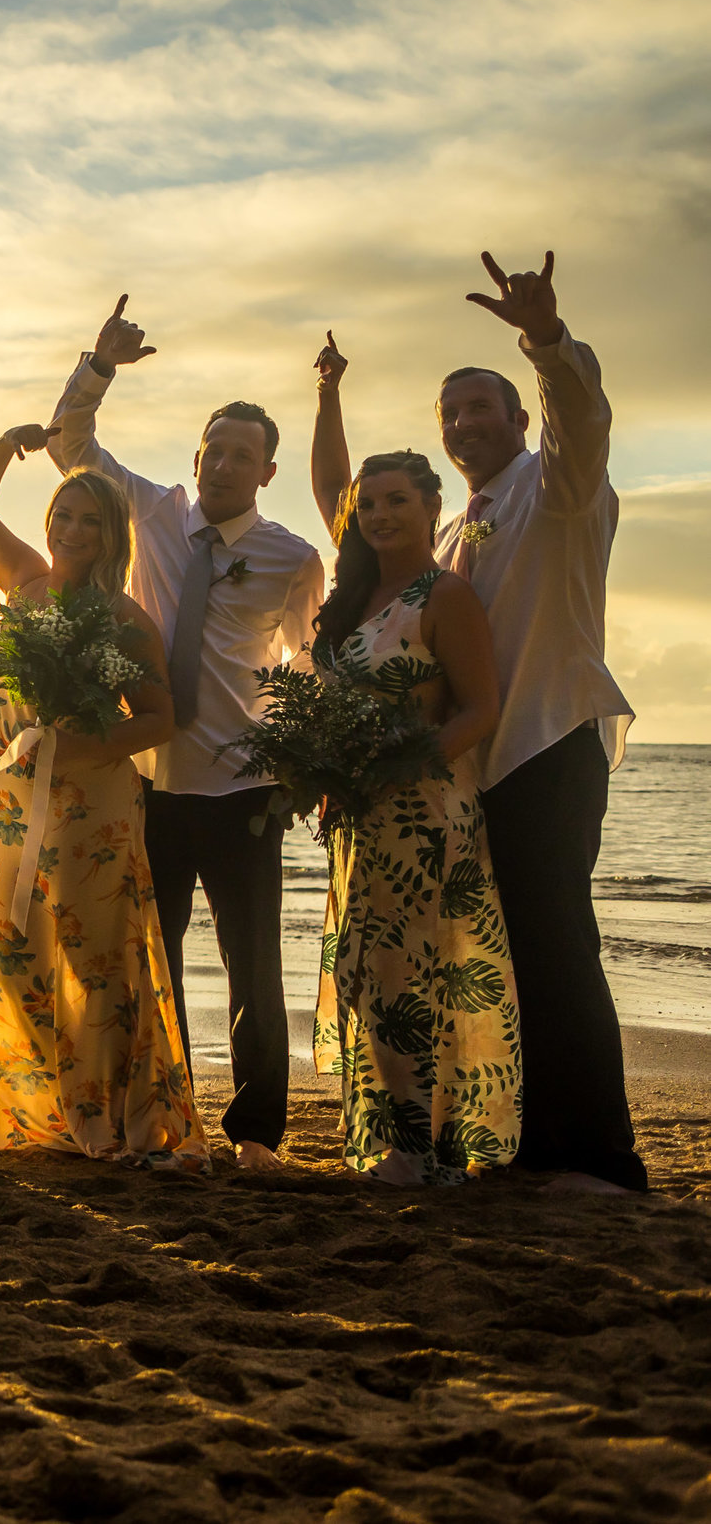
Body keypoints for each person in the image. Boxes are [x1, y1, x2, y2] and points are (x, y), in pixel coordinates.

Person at [311, 252, 644, 1195]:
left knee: (558, 943)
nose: (463, 423)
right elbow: (346, 505)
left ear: (520, 418)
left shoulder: (560, 488)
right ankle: (532, 1143)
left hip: (550, 740)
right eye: (448, 413)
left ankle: (601, 1159)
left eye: (480, 408)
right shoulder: (452, 532)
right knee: (508, 953)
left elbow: (586, 419)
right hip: (480, 769)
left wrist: (544, 339)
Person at [43, 297, 324, 1173]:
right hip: (151, 783)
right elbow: (69, 445)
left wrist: (299, 769)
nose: (225, 463)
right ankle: (163, 1122)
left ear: (266, 470)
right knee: (149, 965)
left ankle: (256, 1135)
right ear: (196, 455)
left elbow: (308, 668)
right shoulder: (156, 514)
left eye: (244, 453)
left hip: (244, 786)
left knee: (254, 971)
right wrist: (99, 364)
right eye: (214, 448)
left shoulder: (292, 556)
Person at [0, 445, 207, 1171]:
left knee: (93, 959)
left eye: (88, 521)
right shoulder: (25, 586)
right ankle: (30, 1107)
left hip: (91, 806)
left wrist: (81, 749)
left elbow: (159, 719)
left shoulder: (124, 618)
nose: (71, 529)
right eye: (62, 514)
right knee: (11, 947)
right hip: (15, 802)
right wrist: (7, 443)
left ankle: (98, 1113)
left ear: (113, 535)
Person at [308, 454, 518, 1185]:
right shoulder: (357, 595)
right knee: (372, 974)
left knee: (421, 976)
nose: (381, 516)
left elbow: (480, 709)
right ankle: (393, 1139)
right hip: (362, 817)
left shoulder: (446, 594)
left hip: (427, 812)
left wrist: (404, 762)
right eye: (368, 506)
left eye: (397, 500)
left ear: (433, 506)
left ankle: (427, 1145)